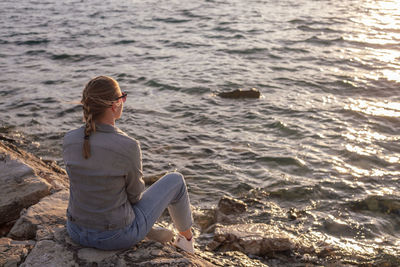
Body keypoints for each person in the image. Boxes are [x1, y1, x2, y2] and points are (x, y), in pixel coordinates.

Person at [63, 76, 194, 253]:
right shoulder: (128, 145)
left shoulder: (69, 139)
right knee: (175, 180)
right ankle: (187, 240)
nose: (124, 101)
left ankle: (149, 231)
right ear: (114, 105)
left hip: (76, 231)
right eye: (122, 97)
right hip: (114, 237)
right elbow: (135, 197)